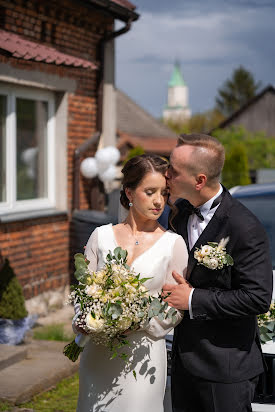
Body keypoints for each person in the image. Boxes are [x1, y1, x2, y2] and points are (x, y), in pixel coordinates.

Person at [163, 133, 273, 412]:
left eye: (173, 171)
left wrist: (192, 299)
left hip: (225, 371)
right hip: (182, 362)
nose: (166, 175)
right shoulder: (180, 213)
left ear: (199, 180)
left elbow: (258, 297)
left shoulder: (244, 226)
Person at [74, 154, 188, 412]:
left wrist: (137, 320)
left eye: (164, 193)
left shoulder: (174, 244)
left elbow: (175, 308)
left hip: (143, 356)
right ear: (129, 192)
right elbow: (83, 293)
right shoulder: (100, 236)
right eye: (150, 192)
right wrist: (84, 321)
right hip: (98, 354)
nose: (159, 200)